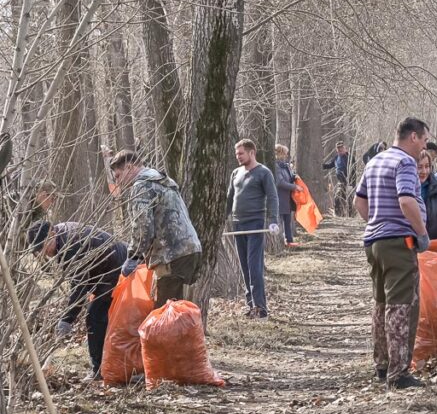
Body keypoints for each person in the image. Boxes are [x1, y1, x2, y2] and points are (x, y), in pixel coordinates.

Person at [354, 118, 432, 389]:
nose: (423, 147)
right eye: (423, 140)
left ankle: (382, 364)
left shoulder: (375, 161)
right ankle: (398, 374)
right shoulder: (405, 162)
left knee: (381, 303)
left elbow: (359, 200)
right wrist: (421, 233)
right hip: (399, 241)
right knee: (401, 306)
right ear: (413, 136)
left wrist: (374, 221)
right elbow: (406, 199)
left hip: (374, 242)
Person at [26, 221, 127, 379]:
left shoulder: (71, 244)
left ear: (52, 233)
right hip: (105, 270)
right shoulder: (63, 239)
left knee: (95, 316)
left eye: (44, 246)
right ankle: (106, 365)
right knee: (99, 315)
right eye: (39, 249)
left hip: (117, 266)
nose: (44, 252)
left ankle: (99, 370)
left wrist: (67, 319)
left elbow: (79, 286)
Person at [109, 151, 203, 307]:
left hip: (170, 255)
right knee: (181, 311)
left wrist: (133, 256)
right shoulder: (164, 181)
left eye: (118, 176)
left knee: (165, 314)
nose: (118, 182)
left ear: (130, 167)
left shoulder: (142, 186)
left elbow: (143, 226)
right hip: (190, 250)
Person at [226, 139, 280, 319]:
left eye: (241, 153)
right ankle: (251, 306)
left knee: (254, 266)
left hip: (255, 224)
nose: (238, 157)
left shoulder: (264, 173)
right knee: (244, 266)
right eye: (236, 154)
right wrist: (221, 221)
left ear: (251, 152)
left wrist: (273, 220)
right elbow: (229, 199)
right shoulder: (235, 173)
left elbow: (272, 197)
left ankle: (261, 308)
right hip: (237, 224)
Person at [273, 145, 302, 247]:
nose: (286, 155)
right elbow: (280, 182)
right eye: (284, 153)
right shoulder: (276, 166)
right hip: (279, 198)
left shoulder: (285, 165)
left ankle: (289, 241)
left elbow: (289, 176)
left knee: (288, 220)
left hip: (287, 198)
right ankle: (280, 242)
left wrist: (294, 176)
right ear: (279, 154)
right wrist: (294, 187)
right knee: (280, 220)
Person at [322, 142, 351, 216]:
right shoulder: (336, 158)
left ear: (345, 148)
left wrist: (351, 184)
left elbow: (353, 170)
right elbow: (329, 165)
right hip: (340, 182)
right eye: (338, 149)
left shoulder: (349, 158)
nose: (340, 150)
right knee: (337, 198)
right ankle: (338, 214)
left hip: (348, 182)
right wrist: (321, 165)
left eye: (341, 148)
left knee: (349, 199)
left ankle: (349, 215)